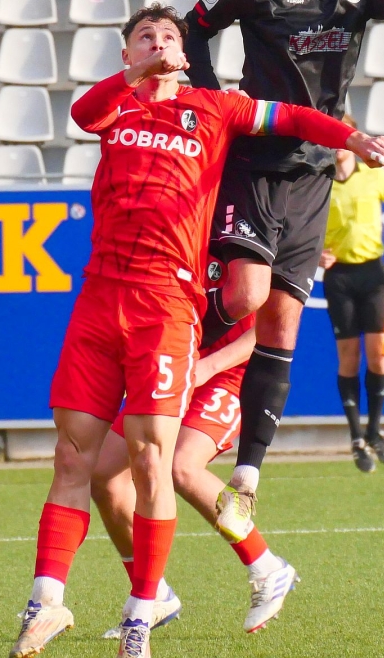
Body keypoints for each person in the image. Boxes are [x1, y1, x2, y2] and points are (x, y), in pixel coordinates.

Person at [9, 3, 384, 658]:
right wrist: (135, 78)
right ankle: (49, 600)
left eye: (170, 36)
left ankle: (157, 606)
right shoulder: (116, 107)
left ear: (187, 56)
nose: (159, 43)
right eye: (145, 37)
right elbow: (82, 114)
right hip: (101, 299)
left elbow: (288, 117)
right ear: (127, 54)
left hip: (170, 311)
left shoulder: (215, 112)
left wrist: (349, 138)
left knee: (159, 462)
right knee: (78, 459)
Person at [183, 0, 384, 541]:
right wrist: (213, 99)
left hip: (316, 171)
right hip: (255, 160)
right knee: (244, 294)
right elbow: (193, 28)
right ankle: (179, 366)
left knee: (284, 326)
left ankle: (246, 477)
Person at [91, 272, 297, 637]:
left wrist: (208, 367)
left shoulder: (249, 243)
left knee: (181, 465)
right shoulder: (177, 245)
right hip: (175, 368)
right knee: (104, 475)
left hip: (230, 377)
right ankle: (153, 594)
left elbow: (271, 326)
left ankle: (267, 567)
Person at [319, 116, 384, 473]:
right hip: (339, 277)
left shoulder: (373, 176)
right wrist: (315, 252)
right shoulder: (318, 180)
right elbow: (294, 222)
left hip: (372, 274)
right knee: (348, 357)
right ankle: (356, 437)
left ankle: (376, 431)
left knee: (378, 355)